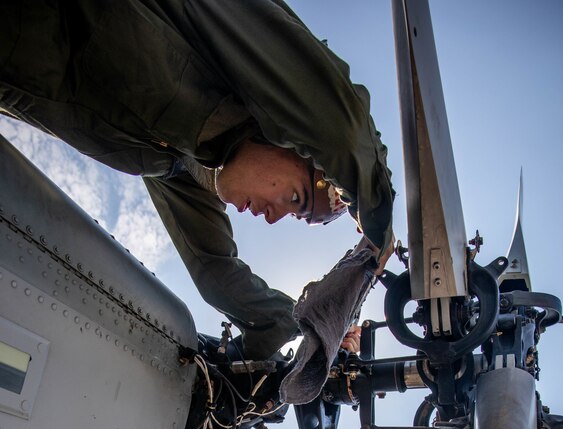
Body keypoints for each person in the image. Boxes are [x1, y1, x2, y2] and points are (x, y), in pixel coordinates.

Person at [0, 0, 395, 360]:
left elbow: (215, 273)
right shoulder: (220, 44)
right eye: (295, 197)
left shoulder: (178, 161)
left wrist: (307, 326)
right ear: (287, 139)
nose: (274, 218)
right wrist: (377, 229)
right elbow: (340, 129)